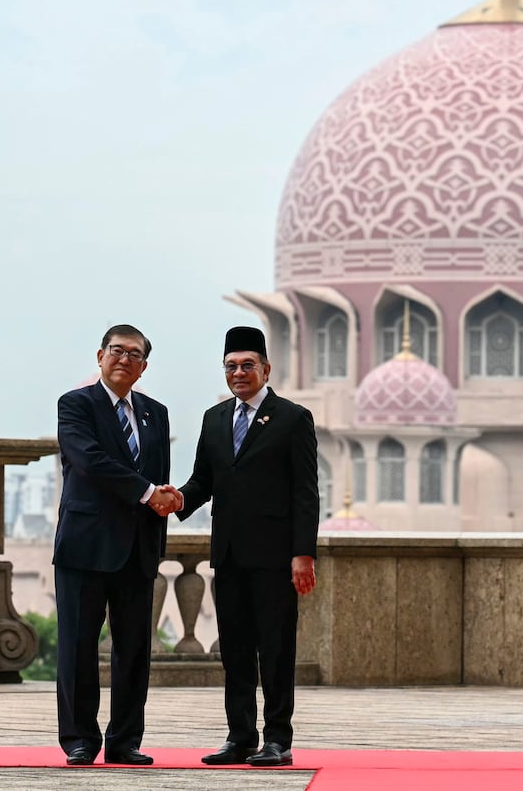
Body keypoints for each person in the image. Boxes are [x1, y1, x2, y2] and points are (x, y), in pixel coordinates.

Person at [178, 326, 320, 768]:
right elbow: (204, 481)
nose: (238, 373)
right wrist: (173, 500)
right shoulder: (214, 419)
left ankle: (278, 739)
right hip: (230, 555)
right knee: (235, 650)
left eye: (247, 365)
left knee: (276, 650)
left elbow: (305, 493)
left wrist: (303, 553)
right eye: (230, 367)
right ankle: (239, 736)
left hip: (277, 558)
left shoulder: (293, 418)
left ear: (265, 369)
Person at [52, 324, 178, 766]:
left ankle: (125, 741)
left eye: (135, 354)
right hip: (85, 547)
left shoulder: (156, 413)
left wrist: (166, 498)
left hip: (138, 548)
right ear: (100, 356)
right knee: (78, 647)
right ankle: (80, 740)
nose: (125, 359)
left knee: (134, 651)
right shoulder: (76, 404)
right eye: (117, 351)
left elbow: (157, 473)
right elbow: (90, 461)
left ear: (144, 366)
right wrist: (148, 492)